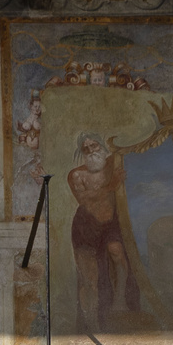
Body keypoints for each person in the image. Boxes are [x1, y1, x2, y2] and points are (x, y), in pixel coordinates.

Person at [66, 132, 139, 330]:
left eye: (94, 146)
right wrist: (110, 186)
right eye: (86, 148)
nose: (91, 151)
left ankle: (120, 302)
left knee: (117, 251)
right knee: (90, 277)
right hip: (85, 227)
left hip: (110, 223)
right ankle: (91, 324)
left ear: (102, 147)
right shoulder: (76, 175)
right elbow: (84, 199)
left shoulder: (113, 165)